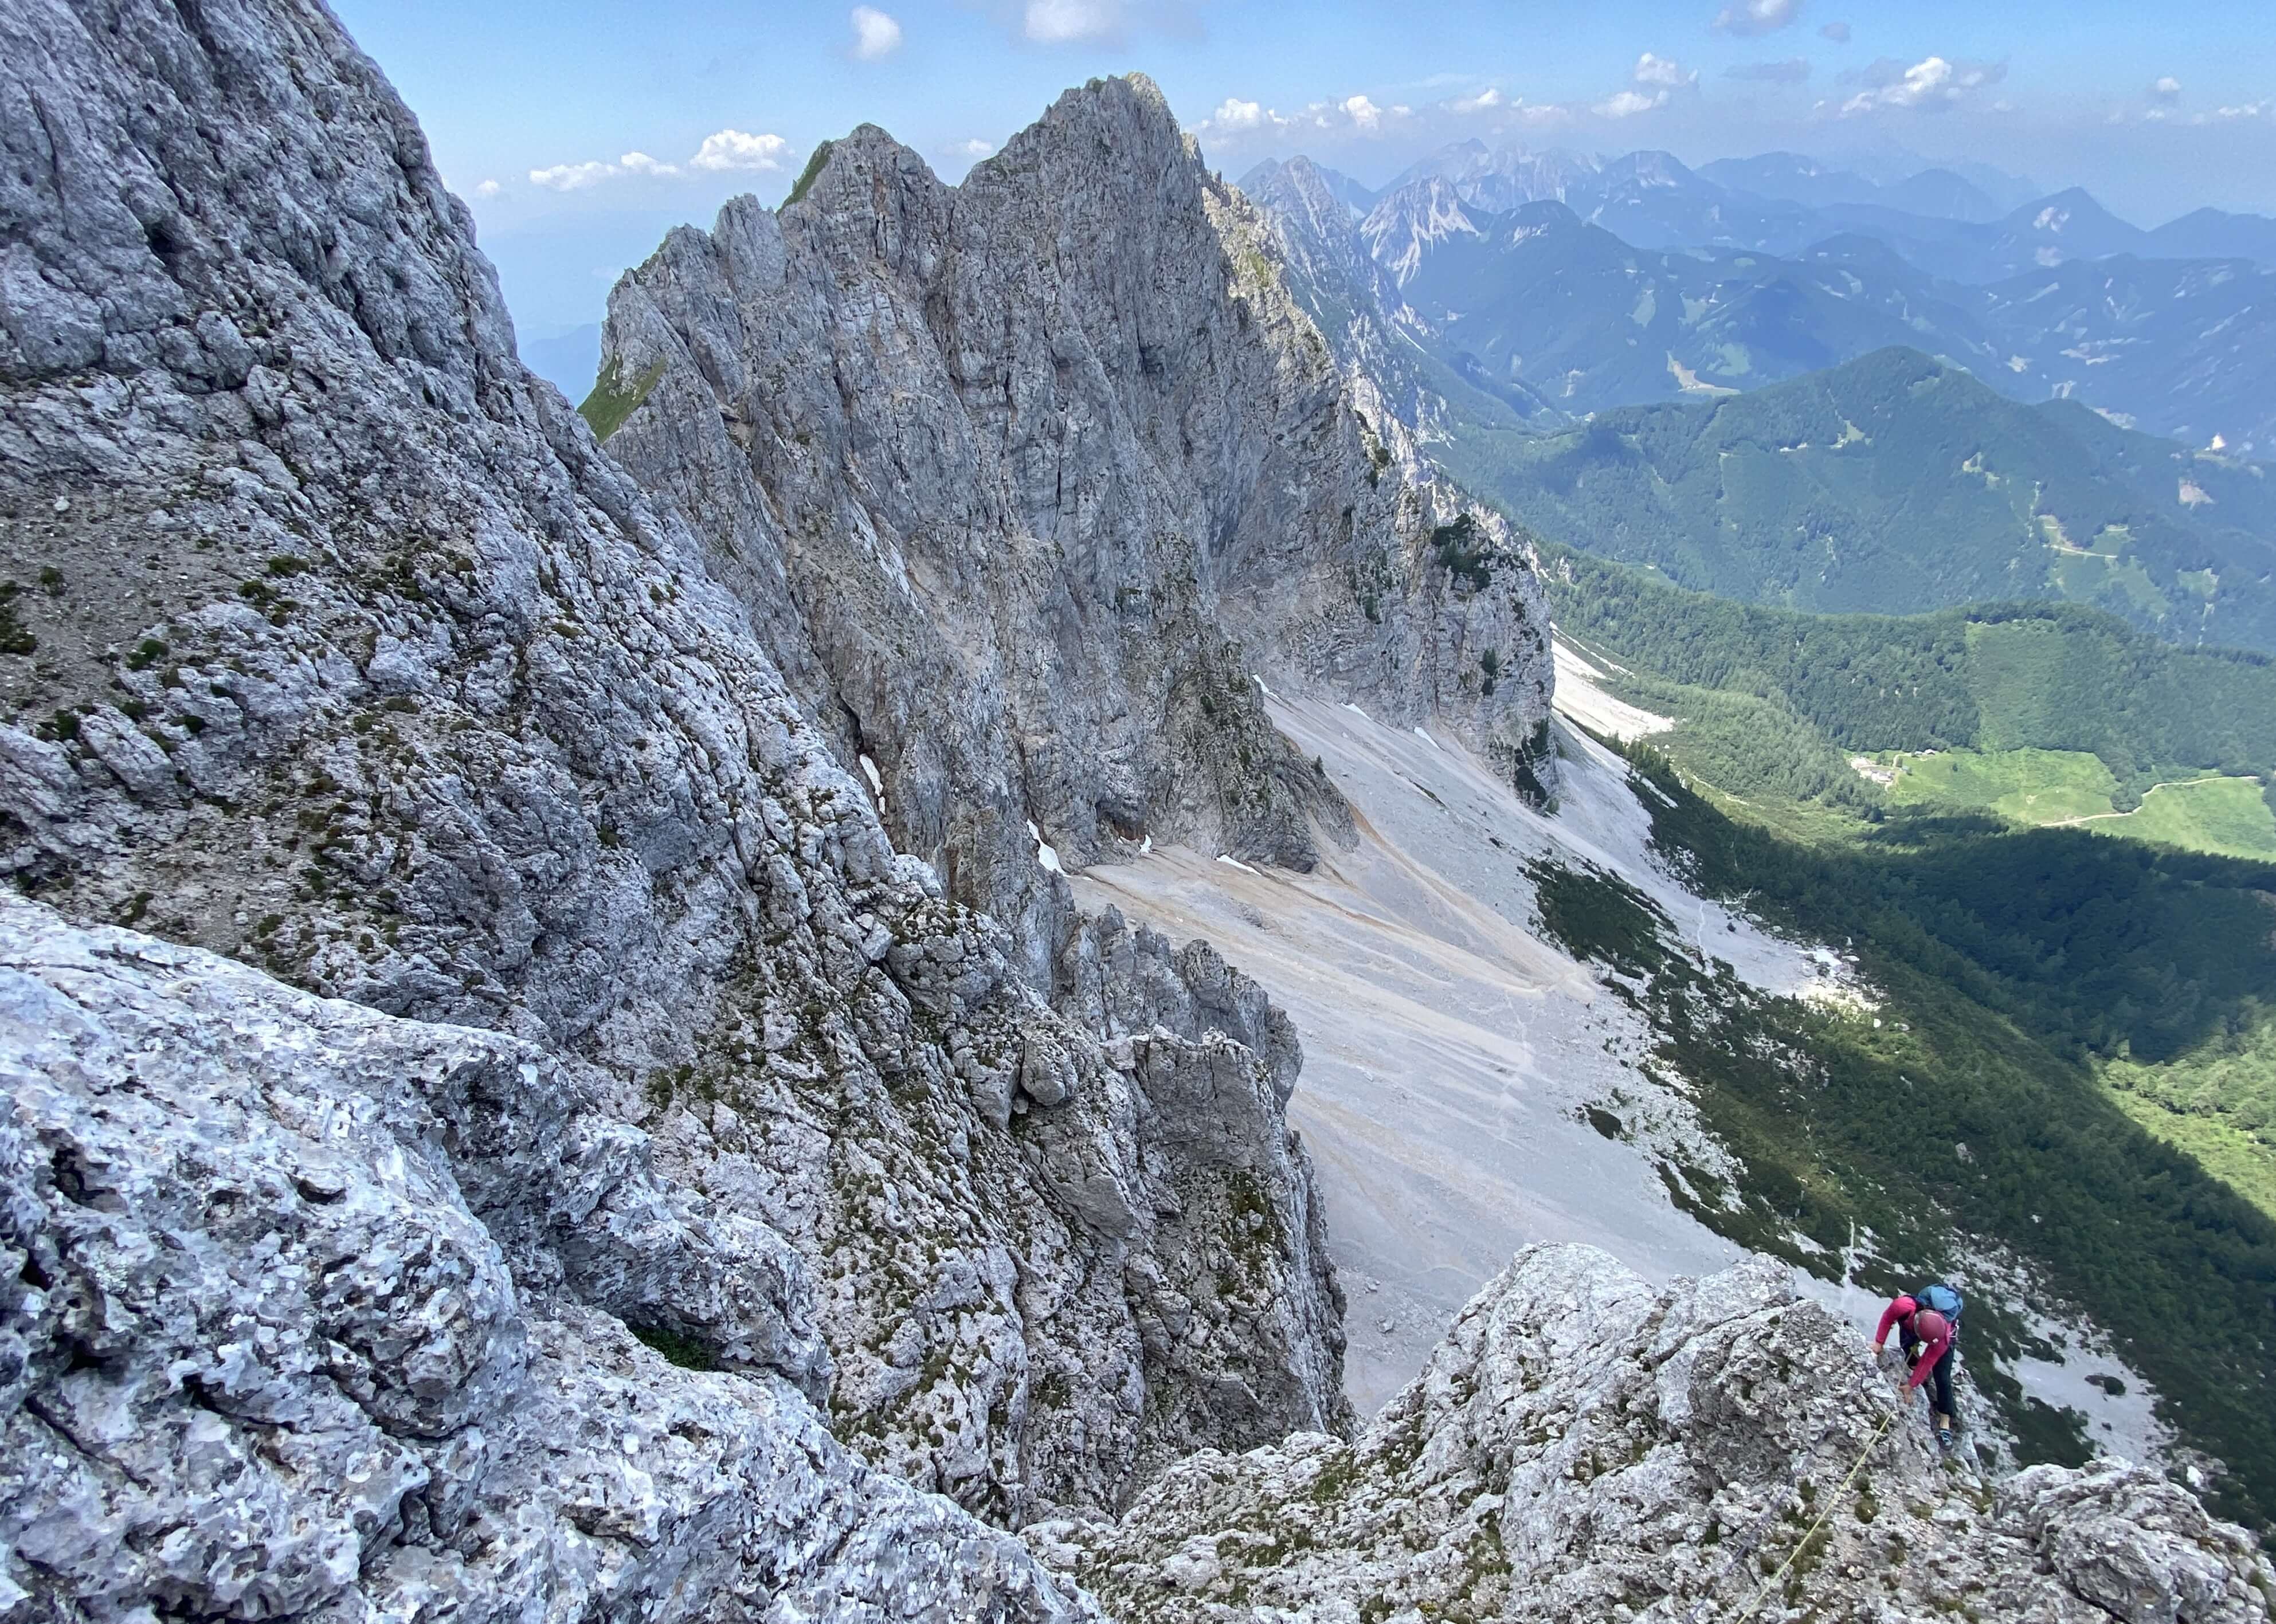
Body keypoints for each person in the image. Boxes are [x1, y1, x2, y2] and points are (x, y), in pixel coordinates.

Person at [1874, 1286, 1962, 1450]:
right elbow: (1888, 1317)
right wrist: (1879, 1343)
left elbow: (1929, 1360)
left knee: (1942, 1377)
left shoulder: (1942, 1339)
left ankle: (1945, 1420)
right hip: (1914, 1323)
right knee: (1907, 1347)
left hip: (1939, 1335)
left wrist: (1911, 1386)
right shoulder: (1904, 1306)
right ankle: (1916, 1369)